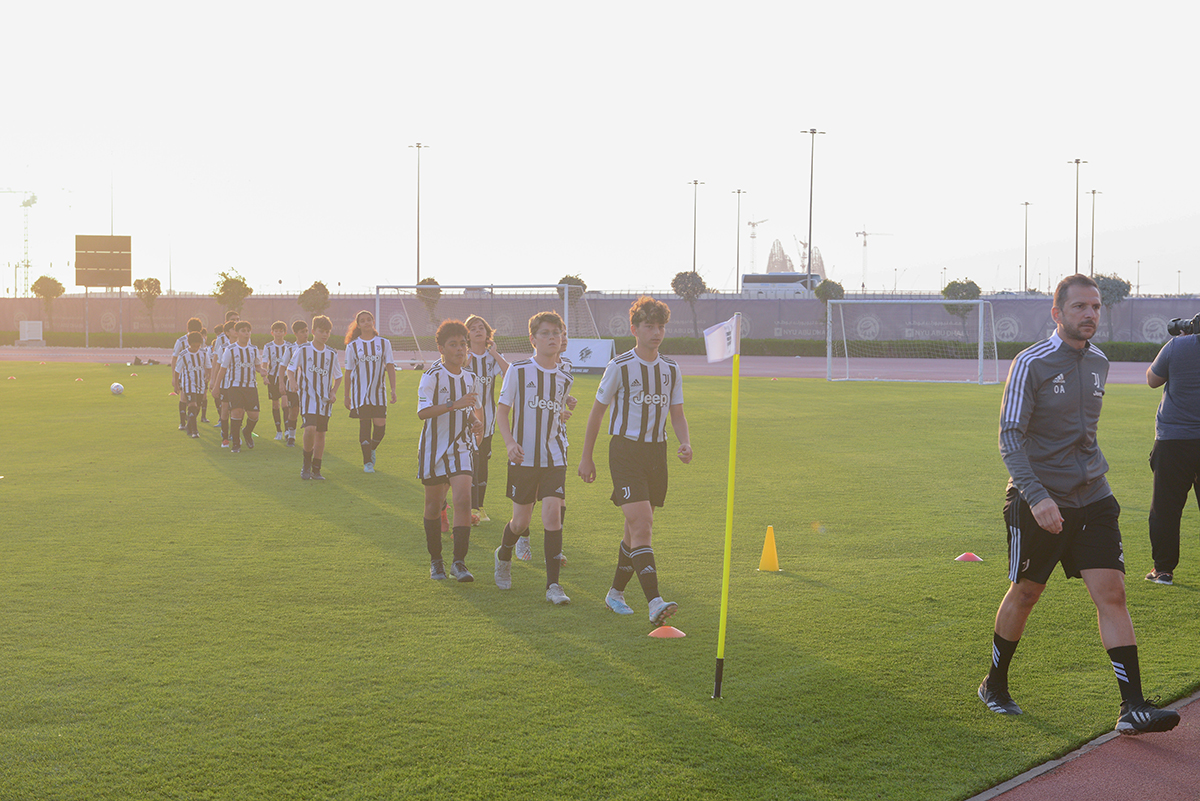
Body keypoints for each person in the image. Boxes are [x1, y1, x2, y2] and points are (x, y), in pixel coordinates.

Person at [979, 273, 1180, 735]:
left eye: (1095, 307)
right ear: (1057, 313)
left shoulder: (1100, 363)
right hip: (1039, 499)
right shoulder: (1030, 363)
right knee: (1027, 593)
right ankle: (994, 684)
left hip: (1094, 497)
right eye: (1079, 307)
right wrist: (1037, 496)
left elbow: (1083, 435)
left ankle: (1133, 707)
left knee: (1113, 594)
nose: (1090, 314)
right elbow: (1010, 438)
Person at [578, 296, 691, 626]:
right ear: (634, 329)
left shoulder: (671, 369)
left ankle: (615, 593)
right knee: (643, 525)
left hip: (657, 454)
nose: (656, 332)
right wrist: (586, 458)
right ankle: (654, 601)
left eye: (661, 326)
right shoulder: (620, 366)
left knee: (634, 529)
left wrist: (685, 442)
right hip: (625, 451)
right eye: (649, 326)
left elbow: (678, 413)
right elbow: (597, 413)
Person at [492, 311, 574, 605]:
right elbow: (503, 411)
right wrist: (510, 442)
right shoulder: (518, 370)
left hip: (554, 456)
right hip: (523, 458)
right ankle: (503, 554)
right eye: (546, 333)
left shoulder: (566, 376)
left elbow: (555, 414)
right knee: (520, 521)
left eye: (557, 332)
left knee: (552, 515)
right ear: (533, 339)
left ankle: (553, 586)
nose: (553, 337)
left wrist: (564, 413)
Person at [416, 320, 484, 582]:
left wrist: (473, 420)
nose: (460, 349)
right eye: (453, 344)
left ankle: (459, 562)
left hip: (461, 447)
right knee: (433, 506)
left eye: (463, 344)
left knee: (464, 501)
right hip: (434, 449)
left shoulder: (471, 378)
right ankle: (436, 561)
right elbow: (423, 412)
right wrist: (454, 404)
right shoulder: (432, 375)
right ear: (441, 348)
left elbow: (467, 409)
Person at [1144, 321, 1200, 585]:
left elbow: (1152, 380)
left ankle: (1163, 570)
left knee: (1166, 508)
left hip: (1174, 439)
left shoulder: (1177, 345)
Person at [465, 314, 510, 524]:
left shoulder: (492, 358)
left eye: (481, 327)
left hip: (487, 421)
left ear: (487, 332)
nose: (478, 330)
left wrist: (495, 352)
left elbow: (509, 374)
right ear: (468, 334)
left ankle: (479, 507)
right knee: (466, 462)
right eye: (473, 328)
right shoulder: (463, 356)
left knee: (482, 463)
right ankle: (467, 507)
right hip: (463, 419)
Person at [286, 315, 341, 480]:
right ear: (313, 331)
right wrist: (293, 381)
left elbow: (338, 376)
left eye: (327, 332)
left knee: (321, 434)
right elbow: (290, 369)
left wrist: (333, 392)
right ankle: (306, 465)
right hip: (308, 399)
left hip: (324, 401)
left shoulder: (331, 353)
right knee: (310, 429)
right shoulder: (303, 349)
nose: (324, 335)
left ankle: (316, 470)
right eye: (321, 331)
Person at [343, 310, 397, 473]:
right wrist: (347, 395)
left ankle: (371, 449)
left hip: (379, 393)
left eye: (369, 320)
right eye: (363, 321)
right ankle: (367, 463)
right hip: (360, 394)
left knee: (380, 428)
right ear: (358, 325)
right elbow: (348, 371)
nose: (366, 323)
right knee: (365, 426)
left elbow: (390, 366)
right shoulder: (353, 346)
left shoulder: (384, 343)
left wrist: (393, 389)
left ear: (373, 322)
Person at [212, 320, 264, 454]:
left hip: (251, 387)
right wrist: (216, 387)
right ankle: (235, 444)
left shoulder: (253, 349)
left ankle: (247, 432)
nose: (246, 334)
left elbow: (257, 365)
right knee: (236, 413)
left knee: (254, 415)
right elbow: (222, 370)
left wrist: (262, 371)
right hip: (234, 386)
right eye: (243, 331)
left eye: (248, 331)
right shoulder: (230, 350)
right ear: (236, 333)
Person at [173, 330, 211, 438]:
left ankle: (189, 425)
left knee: (197, 407)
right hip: (188, 384)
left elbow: (208, 367)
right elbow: (177, 371)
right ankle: (195, 431)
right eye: (193, 346)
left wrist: (209, 377)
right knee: (192, 405)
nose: (196, 348)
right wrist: (176, 385)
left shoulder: (203, 353)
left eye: (198, 346)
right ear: (189, 344)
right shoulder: (183, 354)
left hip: (200, 384)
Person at [280, 320, 309, 447]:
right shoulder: (291, 348)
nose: (306, 334)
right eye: (302, 332)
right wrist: (281, 383)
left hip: (308, 387)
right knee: (293, 411)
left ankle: (309, 437)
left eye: (307, 331)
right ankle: (291, 436)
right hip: (293, 387)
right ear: (295, 333)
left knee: (308, 411)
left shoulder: (312, 347)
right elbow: (282, 367)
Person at [170, 317, 203, 430]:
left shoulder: (200, 339)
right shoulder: (181, 341)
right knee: (184, 398)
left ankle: (190, 420)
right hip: (185, 375)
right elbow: (174, 358)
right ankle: (182, 423)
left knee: (199, 400)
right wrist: (175, 378)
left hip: (198, 375)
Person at [262, 321, 292, 441]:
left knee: (285, 403)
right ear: (272, 332)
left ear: (285, 333)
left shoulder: (289, 346)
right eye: (276, 331)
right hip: (273, 378)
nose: (278, 333)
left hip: (285, 377)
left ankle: (287, 430)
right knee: (275, 404)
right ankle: (278, 430)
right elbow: (265, 362)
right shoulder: (268, 346)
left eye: (281, 331)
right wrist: (264, 376)